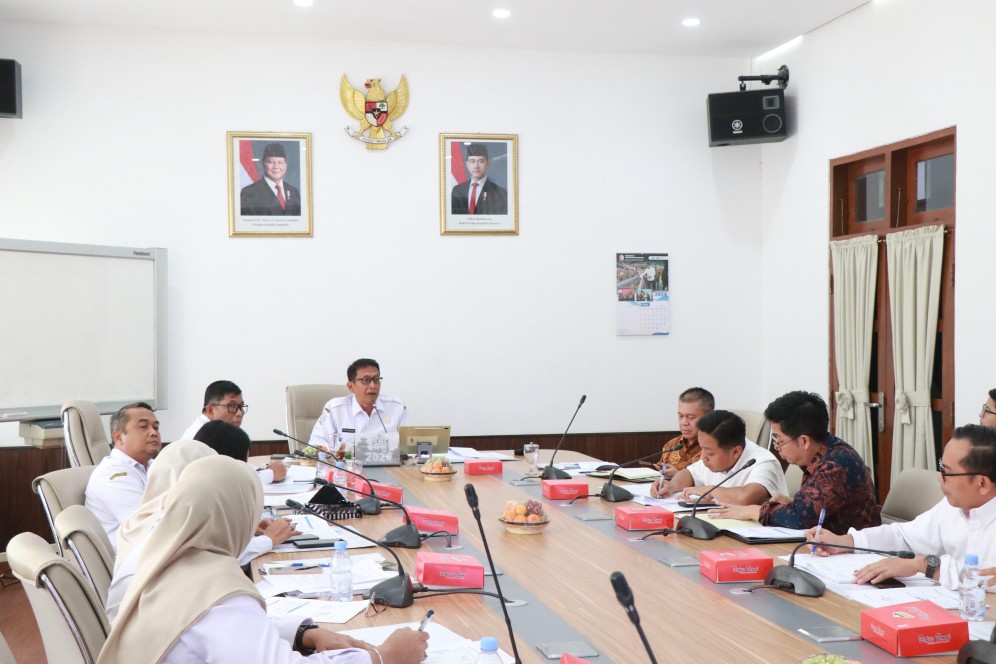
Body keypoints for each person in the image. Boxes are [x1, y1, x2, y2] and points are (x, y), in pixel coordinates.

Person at [99, 455, 428, 663]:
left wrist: (302, 634)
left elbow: (227, 634)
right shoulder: (214, 592)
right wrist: (382, 658)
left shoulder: (165, 556)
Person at [108, 437, 298, 623]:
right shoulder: (168, 529)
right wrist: (268, 540)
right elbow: (208, 560)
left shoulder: (143, 518)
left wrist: (245, 527)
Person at [809, 424, 996, 591]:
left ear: (982, 484)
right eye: (941, 467)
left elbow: (988, 577)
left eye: (946, 472)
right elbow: (904, 536)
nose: (940, 477)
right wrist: (844, 542)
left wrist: (924, 565)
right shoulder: (952, 507)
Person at [709, 391, 881, 532]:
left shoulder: (836, 465)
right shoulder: (825, 451)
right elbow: (809, 510)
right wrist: (792, 503)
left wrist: (751, 511)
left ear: (804, 441)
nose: (777, 447)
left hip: (853, 555)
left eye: (779, 440)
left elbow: (799, 518)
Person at [652, 410, 788, 505]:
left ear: (735, 452)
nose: (703, 457)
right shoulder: (710, 458)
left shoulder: (763, 462)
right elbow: (689, 473)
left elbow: (745, 498)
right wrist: (672, 485)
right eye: (702, 448)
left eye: (710, 453)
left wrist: (707, 490)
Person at [84, 402, 161, 547]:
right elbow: (147, 526)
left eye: (156, 427)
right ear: (118, 437)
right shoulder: (112, 475)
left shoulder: (152, 466)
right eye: (143, 427)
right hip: (133, 561)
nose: (154, 432)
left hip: (156, 549)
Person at [181, 379, 286, 482]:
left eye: (241, 406)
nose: (239, 413)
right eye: (232, 406)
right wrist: (270, 474)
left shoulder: (217, 431)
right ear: (211, 410)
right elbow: (224, 479)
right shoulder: (202, 435)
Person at [308, 358, 409, 451]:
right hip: (346, 466)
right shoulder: (334, 409)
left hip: (387, 468)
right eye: (366, 380)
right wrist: (325, 449)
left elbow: (408, 447)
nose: (373, 386)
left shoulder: (397, 407)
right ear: (351, 386)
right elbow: (316, 442)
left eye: (376, 379)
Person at [648, 388, 713, 491]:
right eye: (680, 416)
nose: (684, 423)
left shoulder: (714, 449)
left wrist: (678, 476)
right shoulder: (672, 445)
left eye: (691, 417)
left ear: (709, 418)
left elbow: (713, 485)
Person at [240, 143, 302, 216]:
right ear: (263, 164)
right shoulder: (248, 193)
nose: (276, 166)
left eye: (280, 162)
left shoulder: (294, 192)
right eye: (271, 162)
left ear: (286, 165)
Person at [450, 143, 508, 215]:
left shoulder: (500, 193)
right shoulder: (457, 190)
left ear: (488, 164)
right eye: (472, 161)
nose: (476, 166)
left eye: (481, 161)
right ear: (467, 164)